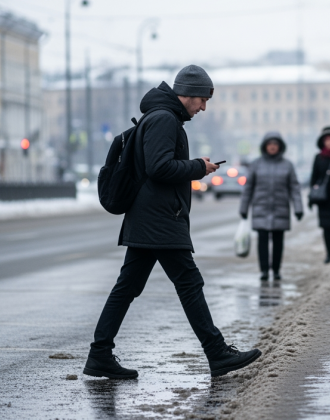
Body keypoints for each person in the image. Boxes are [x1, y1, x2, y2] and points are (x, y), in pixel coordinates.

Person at [84, 65, 261, 380]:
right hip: (160, 219)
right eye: (202, 99)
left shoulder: (161, 117)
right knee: (189, 283)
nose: (203, 107)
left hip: (149, 218)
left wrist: (194, 166)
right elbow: (159, 168)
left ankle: (99, 354)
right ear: (188, 93)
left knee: (127, 287)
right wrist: (197, 167)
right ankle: (216, 352)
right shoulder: (165, 119)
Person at [239, 131, 304, 281]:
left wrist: (298, 208)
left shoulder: (288, 165)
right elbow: (248, 188)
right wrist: (244, 208)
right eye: (270, 144)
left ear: (280, 146)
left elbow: (294, 188)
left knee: (278, 242)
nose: (272, 147)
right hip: (261, 208)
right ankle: (263, 271)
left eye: (275, 144)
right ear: (265, 146)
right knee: (262, 241)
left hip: (280, 208)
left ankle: (275, 270)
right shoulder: (256, 164)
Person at [309, 126, 330, 264]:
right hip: (323, 199)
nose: (329, 143)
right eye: (327, 140)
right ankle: (329, 253)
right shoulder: (319, 158)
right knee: (326, 228)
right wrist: (311, 197)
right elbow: (314, 178)